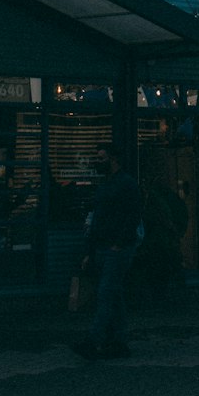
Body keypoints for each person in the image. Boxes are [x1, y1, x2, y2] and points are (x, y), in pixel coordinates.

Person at [72, 144, 143, 361]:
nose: (97, 162)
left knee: (106, 293)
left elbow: (133, 216)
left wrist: (119, 244)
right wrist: (89, 251)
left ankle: (94, 341)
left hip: (116, 249)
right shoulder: (107, 185)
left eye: (101, 158)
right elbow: (97, 220)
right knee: (114, 294)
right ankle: (119, 342)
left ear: (113, 159)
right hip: (106, 248)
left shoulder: (126, 185)